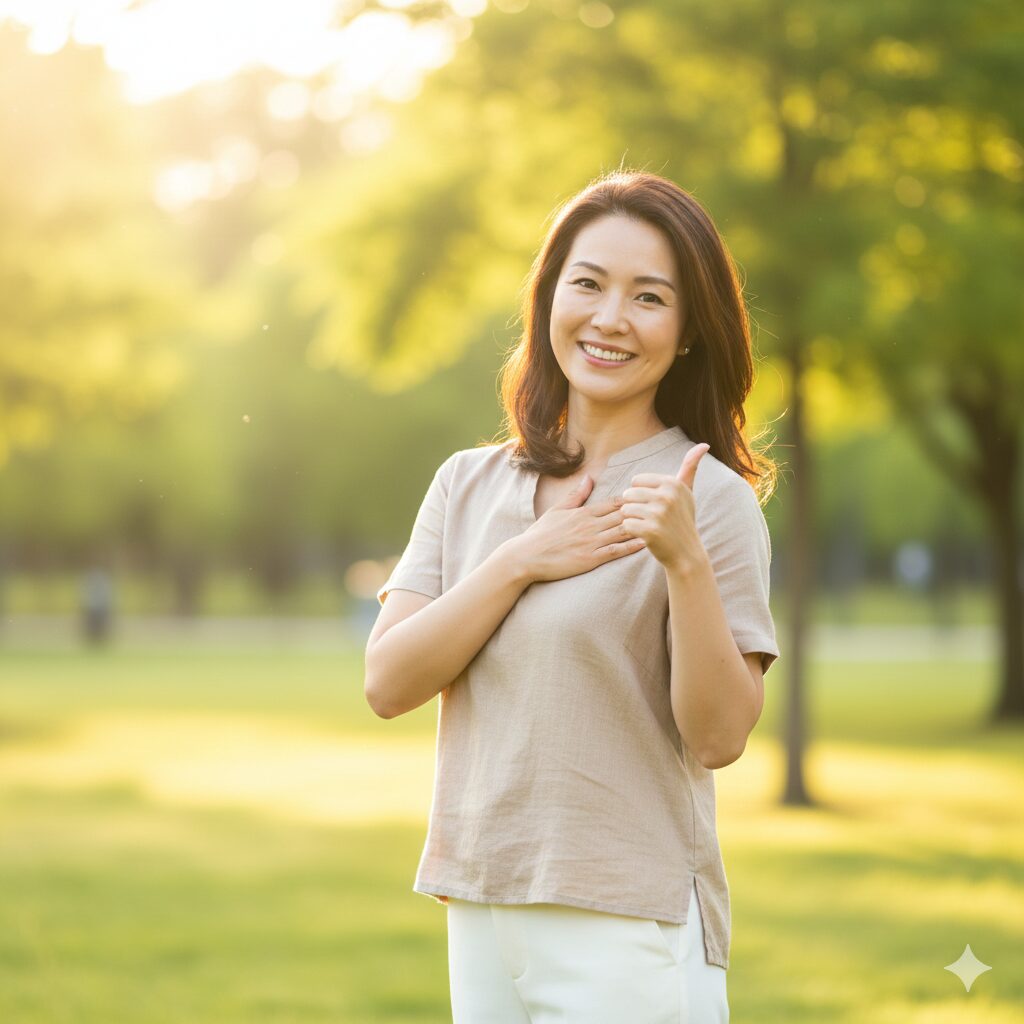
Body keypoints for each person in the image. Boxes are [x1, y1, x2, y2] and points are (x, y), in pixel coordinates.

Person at [365, 170, 780, 1023]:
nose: (609, 318)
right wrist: (519, 562)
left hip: (629, 920)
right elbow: (389, 683)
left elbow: (718, 736)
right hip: (481, 901)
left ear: (691, 328)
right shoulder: (467, 485)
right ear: (549, 295)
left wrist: (684, 563)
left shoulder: (709, 499)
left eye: (649, 297)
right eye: (586, 283)